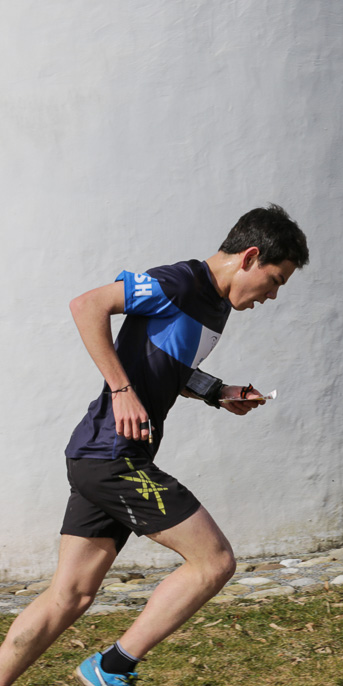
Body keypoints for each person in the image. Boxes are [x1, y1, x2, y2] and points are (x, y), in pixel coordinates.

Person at [0, 204, 310, 686]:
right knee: (214, 561)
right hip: (113, 457)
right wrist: (121, 390)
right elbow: (87, 305)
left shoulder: (215, 305)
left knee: (71, 596)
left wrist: (218, 391)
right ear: (250, 257)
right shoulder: (178, 282)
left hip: (101, 456)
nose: (271, 296)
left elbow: (167, 364)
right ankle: (109, 668)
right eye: (275, 281)